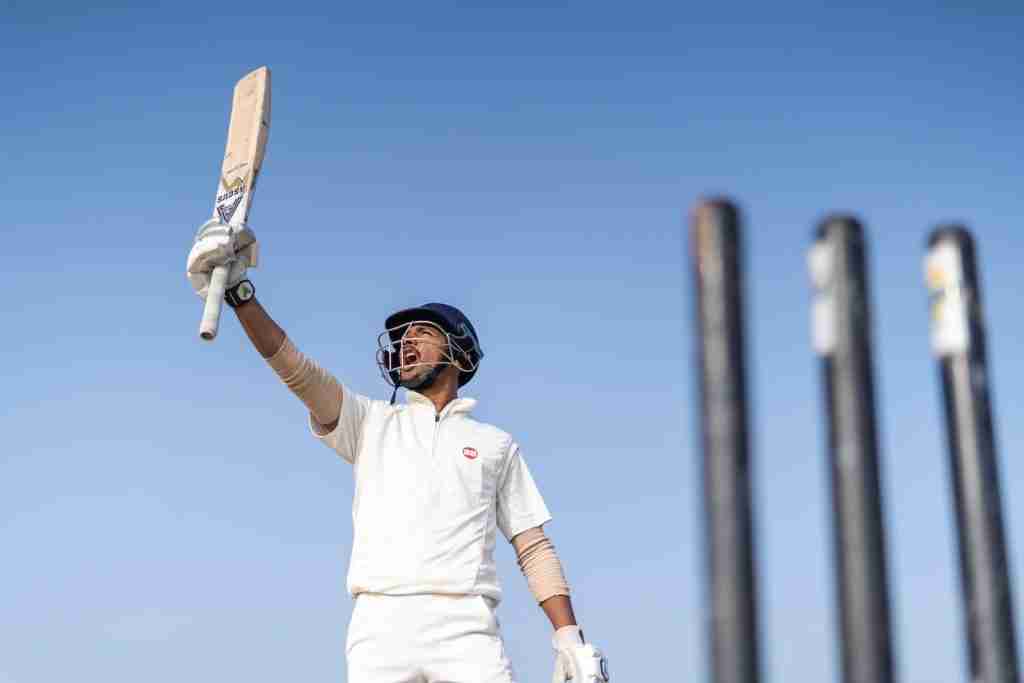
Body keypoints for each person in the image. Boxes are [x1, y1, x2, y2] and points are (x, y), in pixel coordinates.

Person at [187, 219, 609, 683]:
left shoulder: (494, 444)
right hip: (380, 622)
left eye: (421, 333)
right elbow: (296, 370)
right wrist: (240, 294)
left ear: (460, 354)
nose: (406, 342)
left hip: (467, 626)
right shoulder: (370, 422)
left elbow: (533, 548)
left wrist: (568, 637)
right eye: (402, 337)